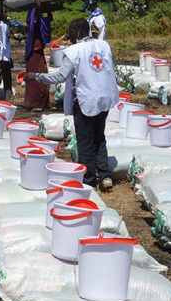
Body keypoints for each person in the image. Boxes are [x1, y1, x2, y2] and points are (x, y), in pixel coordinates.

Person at [28, 18, 117, 190]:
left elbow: (60, 76)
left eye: (70, 33)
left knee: (85, 142)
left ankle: (89, 180)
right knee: (99, 137)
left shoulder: (74, 51)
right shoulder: (103, 45)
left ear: (76, 33)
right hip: (104, 98)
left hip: (86, 101)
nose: (69, 37)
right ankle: (105, 176)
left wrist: (36, 76)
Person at [23, 0, 53, 111]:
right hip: (33, 52)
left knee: (43, 76)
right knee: (35, 77)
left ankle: (45, 103)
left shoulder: (40, 21)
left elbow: (49, 16)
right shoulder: (32, 21)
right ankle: (35, 104)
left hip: (39, 51)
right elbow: (38, 7)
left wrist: (45, 2)